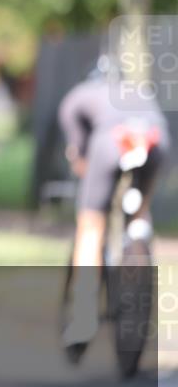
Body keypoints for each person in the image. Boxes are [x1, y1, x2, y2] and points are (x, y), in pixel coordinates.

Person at [57, 55, 171, 351]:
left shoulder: (78, 97)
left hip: (109, 142)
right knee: (139, 209)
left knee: (91, 226)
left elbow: (79, 158)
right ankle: (138, 232)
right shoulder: (138, 92)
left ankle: (83, 318)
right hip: (155, 138)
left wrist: (84, 170)